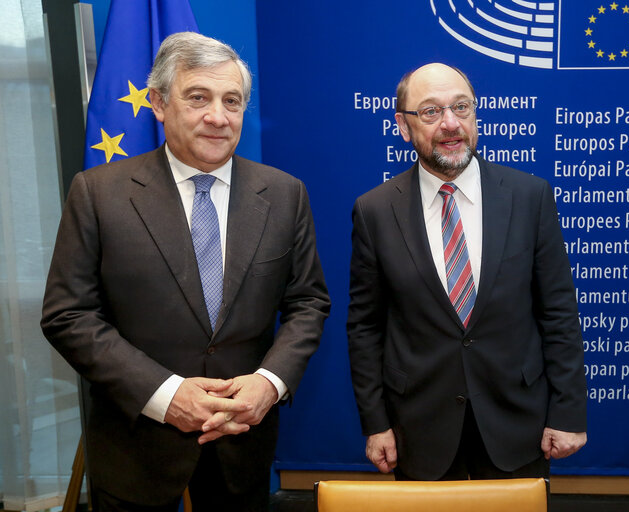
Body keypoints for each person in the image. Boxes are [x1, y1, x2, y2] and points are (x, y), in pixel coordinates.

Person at [41, 32, 330, 511]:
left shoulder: (284, 194)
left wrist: (269, 383)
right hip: (137, 450)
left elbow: (308, 302)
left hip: (244, 443)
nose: (218, 117)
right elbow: (68, 315)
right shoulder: (98, 193)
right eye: (198, 98)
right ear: (157, 103)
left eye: (231, 101)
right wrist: (165, 394)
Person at [347, 63, 587, 481]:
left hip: (518, 422)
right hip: (418, 429)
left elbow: (559, 313)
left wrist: (568, 412)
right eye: (430, 112)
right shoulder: (375, 211)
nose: (451, 124)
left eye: (461, 107)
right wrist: (376, 422)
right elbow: (365, 327)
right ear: (403, 126)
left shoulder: (530, 197)